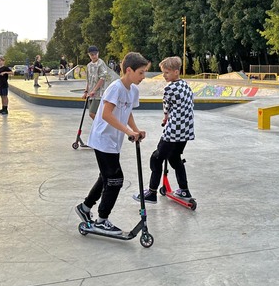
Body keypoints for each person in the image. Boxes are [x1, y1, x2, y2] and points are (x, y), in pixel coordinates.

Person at [74, 52, 150, 235]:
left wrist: (136, 130)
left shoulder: (133, 90)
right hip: (103, 139)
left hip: (114, 140)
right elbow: (106, 114)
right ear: (129, 70)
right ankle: (102, 220)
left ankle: (85, 207)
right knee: (115, 180)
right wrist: (128, 132)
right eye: (141, 72)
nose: (143, 77)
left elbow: (127, 111)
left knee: (105, 177)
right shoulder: (115, 88)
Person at [133, 56, 195, 204]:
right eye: (163, 72)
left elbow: (166, 107)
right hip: (186, 131)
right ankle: (184, 190)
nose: (164, 76)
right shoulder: (186, 85)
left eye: (167, 72)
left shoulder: (169, 88)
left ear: (176, 72)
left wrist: (165, 118)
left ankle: (151, 192)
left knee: (157, 158)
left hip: (173, 131)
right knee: (175, 158)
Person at [83, 45, 112, 119]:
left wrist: (94, 90)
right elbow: (88, 80)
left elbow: (102, 78)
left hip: (99, 94)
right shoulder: (89, 65)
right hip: (91, 94)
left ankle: (102, 124)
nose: (94, 56)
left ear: (98, 53)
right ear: (89, 55)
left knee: (92, 113)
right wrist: (86, 91)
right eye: (92, 54)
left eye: (95, 54)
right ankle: (99, 125)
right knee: (94, 113)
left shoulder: (101, 64)